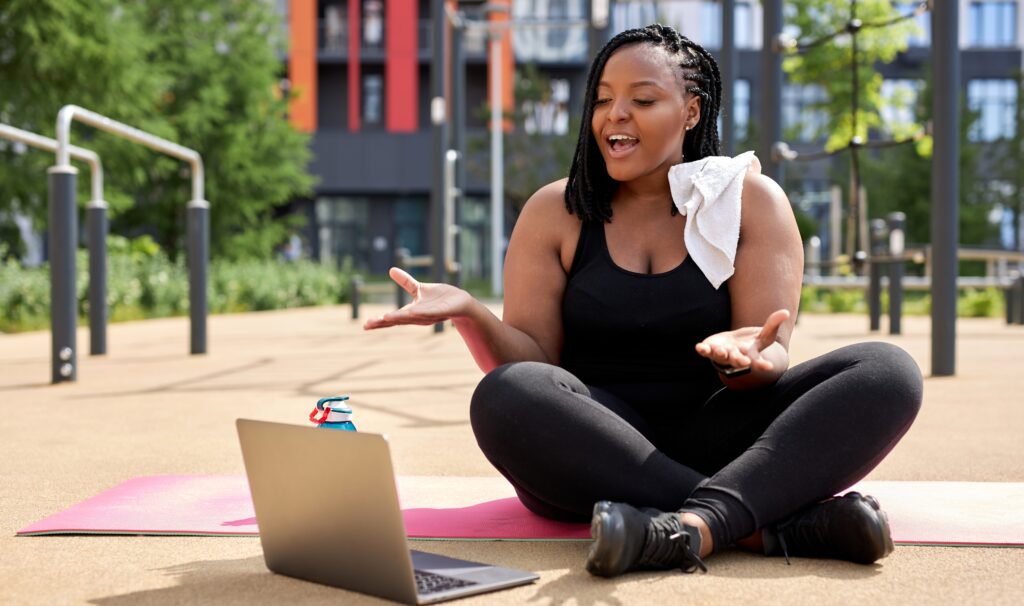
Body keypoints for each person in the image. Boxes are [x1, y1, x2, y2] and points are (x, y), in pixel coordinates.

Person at [365, 23, 922, 577]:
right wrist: (469, 312)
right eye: (603, 99)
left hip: (721, 435)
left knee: (886, 371)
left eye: (643, 99)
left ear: (692, 111)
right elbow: (532, 362)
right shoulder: (554, 211)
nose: (616, 114)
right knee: (507, 394)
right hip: (593, 454)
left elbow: (771, 357)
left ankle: (687, 529)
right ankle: (763, 526)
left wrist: (747, 359)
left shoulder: (750, 201)